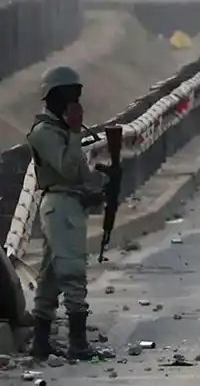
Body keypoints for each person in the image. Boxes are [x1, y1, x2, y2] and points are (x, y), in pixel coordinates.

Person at [27, 66, 107, 360]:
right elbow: (67, 168)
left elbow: (79, 174)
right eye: (70, 95)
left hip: (69, 203)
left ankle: (41, 342)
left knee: (49, 277)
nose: (76, 101)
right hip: (60, 206)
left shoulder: (59, 130)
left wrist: (94, 191)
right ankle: (78, 342)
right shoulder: (45, 133)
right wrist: (74, 133)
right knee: (72, 272)